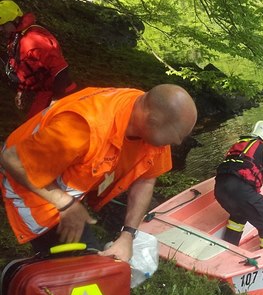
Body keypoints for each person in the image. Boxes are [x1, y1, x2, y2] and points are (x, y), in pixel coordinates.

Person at [0, 84, 197, 262]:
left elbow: (146, 179)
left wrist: (128, 235)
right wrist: (65, 203)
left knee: (85, 261)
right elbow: (12, 160)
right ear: (152, 120)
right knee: (77, 266)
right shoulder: (84, 127)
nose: (177, 144)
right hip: (25, 174)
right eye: (174, 138)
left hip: (63, 176)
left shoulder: (150, 117)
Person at [0, 0, 78, 118]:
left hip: (60, 93)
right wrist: (21, 91)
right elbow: (22, 68)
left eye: (2, 26)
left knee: (38, 131)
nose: (1, 30)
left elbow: (61, 71)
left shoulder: (34, 39)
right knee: (31, 129)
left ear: (15, 20)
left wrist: (55, 102)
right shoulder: (16, 38)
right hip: (43, 93)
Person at [214, 121, 263, 249]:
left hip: (220, 190)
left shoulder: (238, 145)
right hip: (239, 190)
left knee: (239, 213)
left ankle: (228, 249)